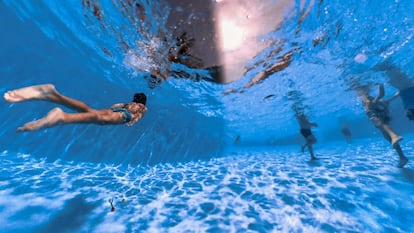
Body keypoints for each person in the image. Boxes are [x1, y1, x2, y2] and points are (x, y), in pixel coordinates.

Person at [3, 84, 147, 132]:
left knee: (91, 111)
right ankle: (63, 117)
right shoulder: (143, 108)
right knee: (99, 120)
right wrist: (131, 122)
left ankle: (53, 95)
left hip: (116, 110)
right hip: (126, 116)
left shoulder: (127, 103)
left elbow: (115, 106)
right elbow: (137, 117)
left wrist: (114, 110)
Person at [358, 84, 408, 168]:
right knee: (387, 136)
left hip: (379, 117)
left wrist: (380, 86)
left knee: (381, 125)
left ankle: (394, 136)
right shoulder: (377, 102)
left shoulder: (370, 103)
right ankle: (402, 157)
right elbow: (389, 98)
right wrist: (399, 92)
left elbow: (380, 95)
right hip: (384, 115)